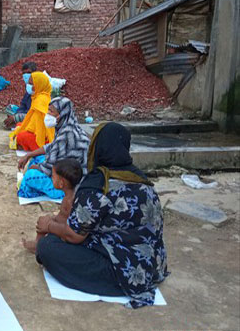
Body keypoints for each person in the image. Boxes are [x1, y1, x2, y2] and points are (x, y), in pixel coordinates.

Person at [34, 122, 169, 309]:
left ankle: (114, 285)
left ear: (97, 149)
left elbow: (74, 235)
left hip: (120, 271)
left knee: (49, 246)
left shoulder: (97, 186)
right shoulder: (143, 182)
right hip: (153, 266)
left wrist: (48, 226)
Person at [17, 97, 90, 200]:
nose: (47, 114)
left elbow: (48, 167)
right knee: (37, 158)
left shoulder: (66, 134)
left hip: (73, 182)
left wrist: (35, 167)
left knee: (30, 175)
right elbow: (51, 146)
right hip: (68, 169)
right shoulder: (67, 126)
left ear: (60, 115)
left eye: (51, 111)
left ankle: (60, 193)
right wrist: (29, 155)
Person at [23, 158, 82, 254]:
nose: (51, 179)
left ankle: (38, 245)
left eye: (53, 177)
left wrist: (51, 223)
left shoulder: (69, 200)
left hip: (64, 232)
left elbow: (67, 222)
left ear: (61, 183)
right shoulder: (69, 196)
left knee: (43, 224)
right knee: (44, 220)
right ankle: (38, 242)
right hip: (61, 226)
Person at [11, 71, 54, 151]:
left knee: (20, 136)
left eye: (31, 84)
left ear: (38, 85)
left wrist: (21, 133)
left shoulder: (41, 100)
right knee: (19, 125)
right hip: (38, 131)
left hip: (43, 139)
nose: (29, 86)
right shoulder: (38, 97)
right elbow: (31, 119)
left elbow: (41, 128)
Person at [4, 61, 38, 129]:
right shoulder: (28, 88)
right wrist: (16, 115)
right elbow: (22, 105)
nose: (26, 75)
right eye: (24, 73)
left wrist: (16, 118)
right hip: (25, 113)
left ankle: (17, 123)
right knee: (10, 108)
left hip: (34, 115)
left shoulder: (40, 86)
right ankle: (16, 122)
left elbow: (36, 112)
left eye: (28, 72)